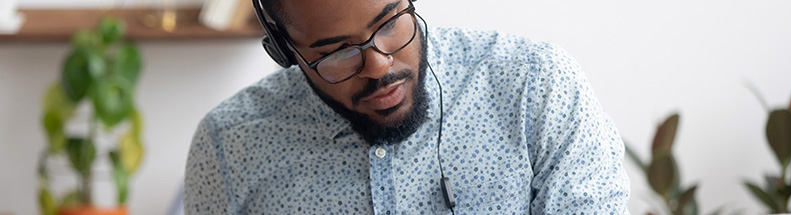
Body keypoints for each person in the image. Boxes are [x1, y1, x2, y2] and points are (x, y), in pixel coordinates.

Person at [184, 0, 630, 214]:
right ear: (286, 52)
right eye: (338, 52)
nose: (379, 66)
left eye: (390, 24)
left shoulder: (536, 87)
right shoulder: (229, 147)